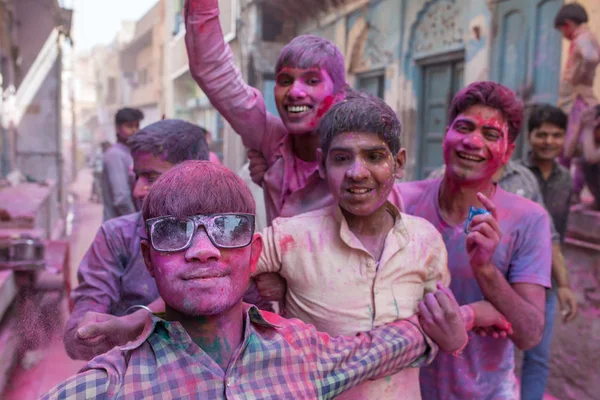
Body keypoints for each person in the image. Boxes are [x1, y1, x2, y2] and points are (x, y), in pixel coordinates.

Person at [43, 161, 503, 399]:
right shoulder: (112, 385)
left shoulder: (302, 352)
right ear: (148, 258)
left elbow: (384, 346)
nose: (203, 249)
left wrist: (464, 315)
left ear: (255, 253)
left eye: (228, 230)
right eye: (173, 232)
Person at [253, 94, 512, 399]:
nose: (357, 172)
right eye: (341, 158)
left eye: (374, 157)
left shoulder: (424, 241)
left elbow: (436, 330)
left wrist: (456, 335)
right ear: (322, 166)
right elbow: (227, 270)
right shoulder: (290, 237)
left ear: (398, 163)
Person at [184, 0, 402, 226]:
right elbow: (211, 70)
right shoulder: (271, 141)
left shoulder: (360, 158)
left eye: (312, 80)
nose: (295, 92)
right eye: (285, 81)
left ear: (340, 93)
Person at [398, 81, 552, 399]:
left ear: (508, 152)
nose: (472, 142)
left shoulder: (528, 219)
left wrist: (486, 270)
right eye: (464, 127)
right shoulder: (402, 203)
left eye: (490, 134)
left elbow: (530, 335)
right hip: (406, 390)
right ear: (447, 135)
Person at [64, 119, 210, 360]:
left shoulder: (223, 237)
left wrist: (136, 321)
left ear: (195, 177)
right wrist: (87, 331)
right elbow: (82, 322)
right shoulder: (116, 235)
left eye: (152, 178)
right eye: (138, 177)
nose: (137, 191)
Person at [519, 104, 579, 400]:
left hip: (548, 283)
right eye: (541, 134)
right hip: (511, 279)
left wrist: (563, 282)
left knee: (538, 356)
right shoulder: (516, 176)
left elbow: (557, 234)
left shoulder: (566, 179)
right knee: (494, 353)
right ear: (529, 137)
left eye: (556, 135)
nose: (548, 141)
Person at [554, 2, 600, 202]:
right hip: (575, 101)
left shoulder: (582, 38)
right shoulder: (583, 37)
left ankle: (569, 192)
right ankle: (566, 191)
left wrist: (578, 77)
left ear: (567, 24)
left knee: (574, 150)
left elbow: (591, 57)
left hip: (578, 101)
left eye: (561, 30)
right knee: (569, 150)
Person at [101, 107, 144, 221]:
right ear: (117, 128)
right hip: (119, 229)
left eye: (137, 126)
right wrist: (137, 224)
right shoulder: (114, 155)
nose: (134, 130)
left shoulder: (133, 153)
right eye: (129, 126)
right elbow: (121, 199)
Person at [566, 104, 600, 209]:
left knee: (587, 162)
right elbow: (568, 153)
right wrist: (581, 126)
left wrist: (588, 128)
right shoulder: (593, 135)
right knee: (581, 160)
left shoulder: (590, 130)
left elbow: (591, 158)